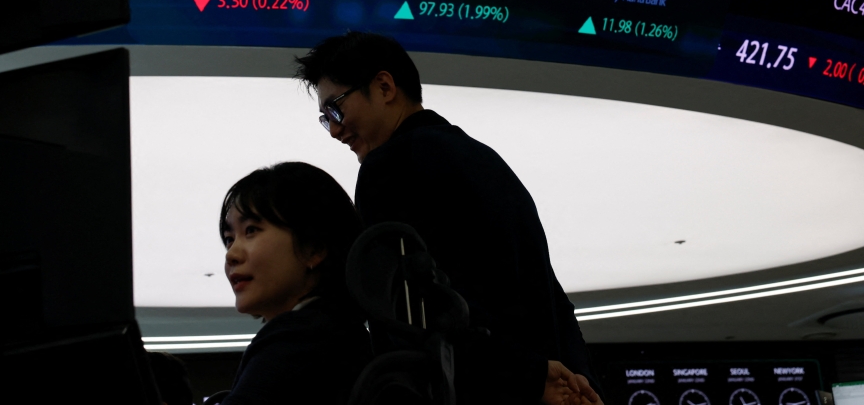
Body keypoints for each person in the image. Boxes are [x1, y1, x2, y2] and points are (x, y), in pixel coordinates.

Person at [295, 32, 604, 405]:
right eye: (325, 118)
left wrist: (527, 377)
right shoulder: (487, 160)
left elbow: (411, 323)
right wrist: (577, 386)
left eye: (337, 109)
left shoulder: (388, 167)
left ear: (384, 86)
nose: (334, 130)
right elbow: (551, 298)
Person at [215, 162, 371, 405]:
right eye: (229, 239)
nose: (231, 254)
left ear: (313, 248)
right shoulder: (338, 331)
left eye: (251, 230)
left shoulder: (301, 339)